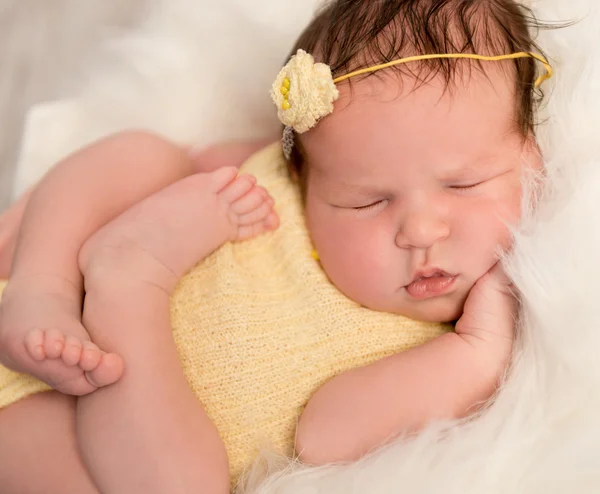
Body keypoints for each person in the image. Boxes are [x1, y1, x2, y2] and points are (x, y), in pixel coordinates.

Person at [0, 0, 550, 492]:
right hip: (47, 323)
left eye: (462, 185)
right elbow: (123, 176)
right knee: (149, 156)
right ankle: (38, 283)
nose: (421, 230)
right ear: (306, 173)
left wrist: (478, 351)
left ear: (532, 155)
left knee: (182, 486)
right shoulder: (278, 184)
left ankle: (128, 283)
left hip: (63, 427)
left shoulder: (436, 342)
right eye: (366, 201)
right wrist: (45, 240)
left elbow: (325, 433)